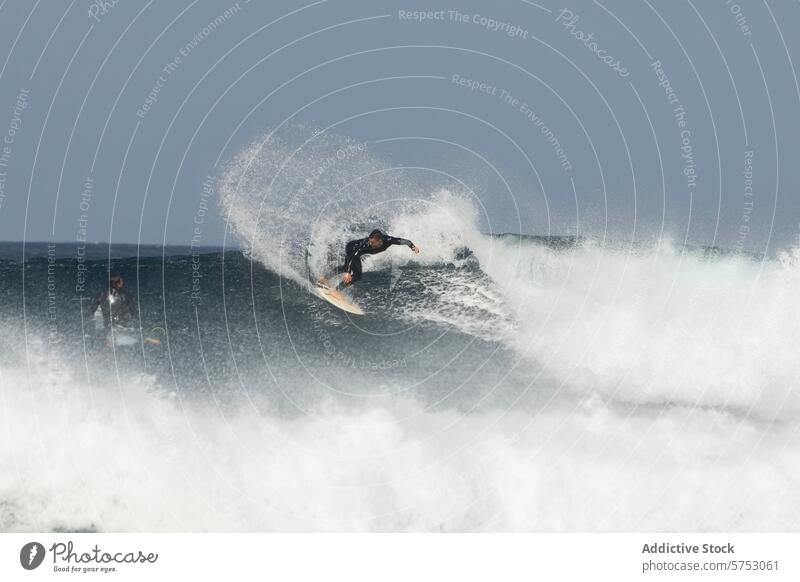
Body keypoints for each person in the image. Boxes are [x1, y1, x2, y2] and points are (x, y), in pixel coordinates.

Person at [324, 229, 420, 288]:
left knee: (350, 270)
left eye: (373, 243)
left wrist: (413, 247)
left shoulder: (388, 240)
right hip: (352, 248)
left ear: (380, 241)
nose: (370, 244)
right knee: (355, 274)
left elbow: (406, 241)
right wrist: (348, 272)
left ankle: (326, 279)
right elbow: (353, 255)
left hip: (357, 252)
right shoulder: (365, 244)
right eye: (370, 242)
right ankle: (335, 289)